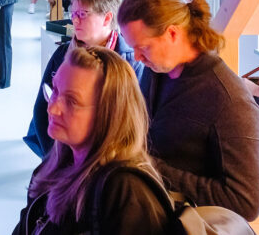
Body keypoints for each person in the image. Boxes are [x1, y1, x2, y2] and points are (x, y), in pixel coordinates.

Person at [118, 0, 259, 221]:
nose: (137, 58)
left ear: (173, 34)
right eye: (132, 46)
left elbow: (245, 202)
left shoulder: (229, 102)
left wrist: (149, 166)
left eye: (143, 47)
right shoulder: (157, 70)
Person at [14, 46, 170, 234]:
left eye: (72, 101)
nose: (52, 109)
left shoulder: (126, 192)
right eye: (54, 90)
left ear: (109, 114)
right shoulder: (54, 166)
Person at [23, 0, 143, 158]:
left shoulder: (131, 62)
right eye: (73, 14)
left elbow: (134, 120)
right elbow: (42, 107)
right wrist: (53, 157)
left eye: (82, 14)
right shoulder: (63, 53)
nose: (75, 20)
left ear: (107, 18)